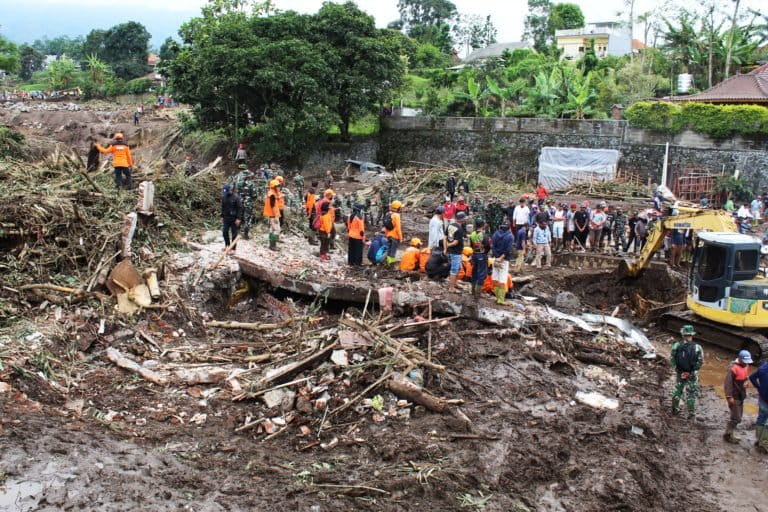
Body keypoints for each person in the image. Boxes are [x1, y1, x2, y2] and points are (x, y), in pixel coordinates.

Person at [670, 325, 704, 417]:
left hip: (680, 372)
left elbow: (672, 359)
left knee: (678, 390)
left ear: (683, 334)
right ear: (692, 335)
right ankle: (691, 413)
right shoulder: (698, 347)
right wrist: (692, 371)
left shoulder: (676, 345)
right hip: (692, 374)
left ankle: (675, 409)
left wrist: (677, 369)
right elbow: (700, 362)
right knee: (691, 393)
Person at [723, 349, 753, 443]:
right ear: (739, 359)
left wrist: (746, 381)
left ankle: (729, 433)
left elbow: (745, 376)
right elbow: (727, 384)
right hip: (734, 396)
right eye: (744, 361)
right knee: (737, 418)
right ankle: (728, 435)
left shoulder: (746, 366)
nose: (746, 363)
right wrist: (729, 396)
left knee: (738, 417)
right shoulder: (733, 369)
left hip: (741, 395)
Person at [491, 221, 515, 305]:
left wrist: (496, 257)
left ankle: (497, 297)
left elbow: (492, 246)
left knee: (495, 278)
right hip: (503, 260)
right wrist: (501, 258)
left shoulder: (495, 234)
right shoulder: (510, 236)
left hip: (495, 258)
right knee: (502, 279)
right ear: (509, 227)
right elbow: (508, 250)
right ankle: (501, 299)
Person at [444, 211, 468, 291]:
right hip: (456, 251)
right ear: (462, 220)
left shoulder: (450, 225)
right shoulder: (459, 229)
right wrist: (448, 245)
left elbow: (445, 237)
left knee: (458, 268)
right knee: (454, 269)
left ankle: (455, 282)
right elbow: (455, 242)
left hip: (452, 251)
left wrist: (445, 248)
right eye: (464, 219)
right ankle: (451, 287)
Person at [232, 164, 256, 240]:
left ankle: (236, 231)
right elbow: (254, 195)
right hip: (248, 203)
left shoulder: (235, 179)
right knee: (248, 218)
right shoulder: (250, 183)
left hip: (238, 201)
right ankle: (246, 234)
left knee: (238, 216)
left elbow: (232, 190)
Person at [749, 359, 768, 453]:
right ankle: (764, 443)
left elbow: (752, 377)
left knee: (761, 419)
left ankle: (758, 440)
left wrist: (758, 387)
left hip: (762, 399)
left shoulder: (762, 368)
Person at [468, 218, 491, 298]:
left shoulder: (472, 234)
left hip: (474, 254)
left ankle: (473, 290)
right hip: (482, 255)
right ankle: (477, 294)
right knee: (481, 274)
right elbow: (488, 246)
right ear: (483, 225)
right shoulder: (484, 235)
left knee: (474, 272)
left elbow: (471, 245)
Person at [221, 184, 243, 252]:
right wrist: (222, 216)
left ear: (230, 190)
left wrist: (238, 218)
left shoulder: (236, 198)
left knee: (234, 234)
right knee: (224, 232)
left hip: (234, 218)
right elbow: (223, 207)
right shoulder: (224, 197)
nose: (226, 193)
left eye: (227, 191)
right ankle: (227, 245)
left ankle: (233, 248)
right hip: (226, 218)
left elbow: (240, 208)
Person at [263, 179, 281, 250]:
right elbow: (273, 206)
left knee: (272, 230)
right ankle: (273, 245)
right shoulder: (272, 195)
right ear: (274, 187)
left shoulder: (270, 193)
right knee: (276, 230)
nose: (279, 187)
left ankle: (271, 245)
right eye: (278, 186)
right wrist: (276, 216)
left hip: (271, 215)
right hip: (273, 215)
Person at [384, 200, 403, 266]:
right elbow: (398, 228)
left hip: (389, 235)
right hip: (395, 236)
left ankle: (387, 263)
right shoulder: (397, 215)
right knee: (393, 252)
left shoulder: (388, 214)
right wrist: (401, 237)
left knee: (389, 250)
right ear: (398, 208)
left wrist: (386, 235)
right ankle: (391, 264)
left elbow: (386, 226)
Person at [304, 181, 319, 245]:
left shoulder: (309, 190)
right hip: (311, 210)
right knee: (313, 225)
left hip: (308, 209)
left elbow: (305, 198)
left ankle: (310, 238)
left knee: (311, 224)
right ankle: (311, 240)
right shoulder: (312, 192)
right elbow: (312, 203)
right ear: (317, 185)